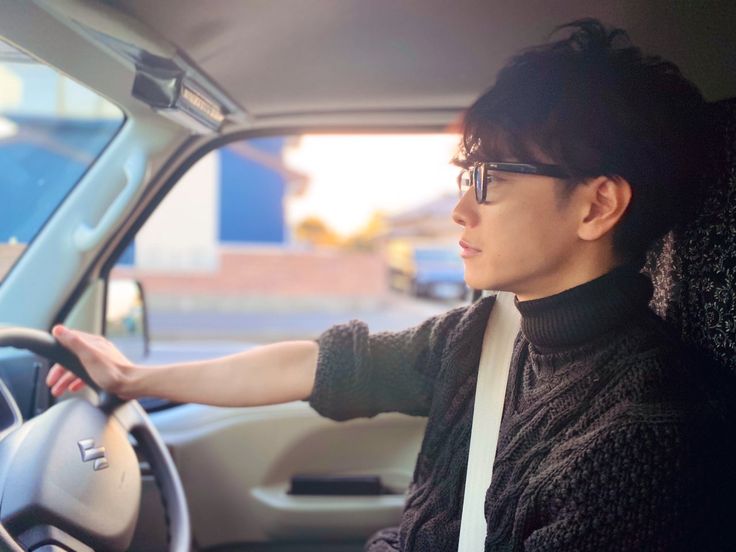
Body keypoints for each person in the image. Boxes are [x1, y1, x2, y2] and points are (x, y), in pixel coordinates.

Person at [46, 19, 735, 552]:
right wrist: (135, 380)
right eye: (467, 177)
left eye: (491, 180)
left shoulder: (644, 441)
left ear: (597, 205)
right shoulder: (488, 335)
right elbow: (322, 364)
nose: (462, 209)